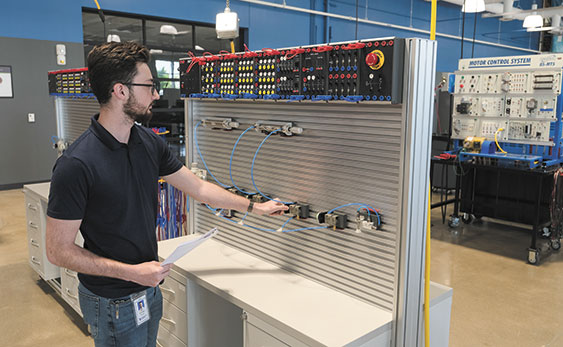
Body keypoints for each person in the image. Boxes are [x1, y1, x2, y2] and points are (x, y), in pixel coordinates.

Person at [45, 41, 288, 347]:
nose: (157, 95)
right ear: (120, 91)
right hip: (112, 301)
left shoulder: (148, 142)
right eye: (149, 86)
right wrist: (132, 273)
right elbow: (58, 251)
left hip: (149, 286)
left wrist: (255, 207)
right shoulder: (76, 164)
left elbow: (198, 188)